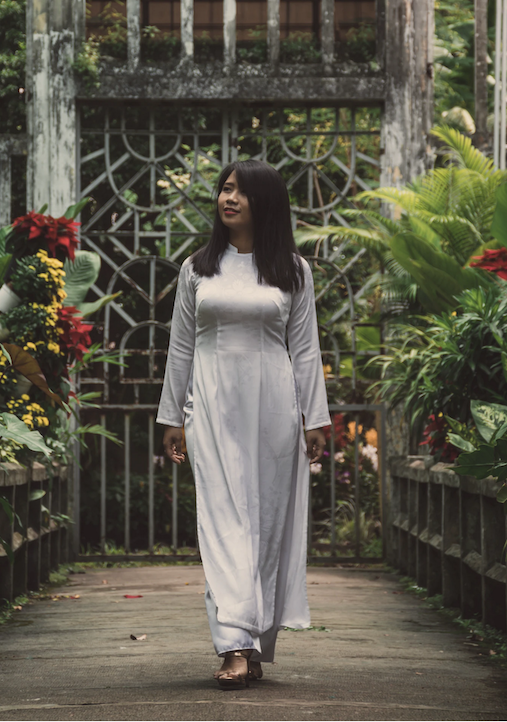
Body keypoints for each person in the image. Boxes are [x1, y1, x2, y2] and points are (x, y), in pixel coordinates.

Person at [156, 159, 330, 689]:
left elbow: (304, 350)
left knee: (267, 525)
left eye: (240, 191)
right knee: (223, 519)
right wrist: (171, 416)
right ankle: (233, 641)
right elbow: (181, 346)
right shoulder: (197, 268)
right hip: (210, 405)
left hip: (275, 407)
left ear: (265, 202)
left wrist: (314, 419)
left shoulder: (294, 271)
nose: (228, 198)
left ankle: (254, 641)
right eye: (224, 189)